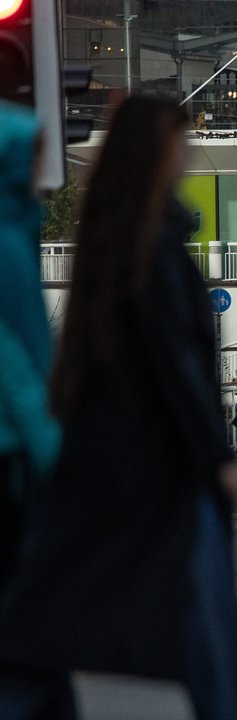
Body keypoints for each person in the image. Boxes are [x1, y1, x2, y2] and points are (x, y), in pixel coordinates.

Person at [0, 97, 237, 719]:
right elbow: (173, 365)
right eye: (178, 143)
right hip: (154, 470)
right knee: (211, 640)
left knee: (40, 630)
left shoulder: (113, 238)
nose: (187, 155)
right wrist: (213, 456)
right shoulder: (150, 247)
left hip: (111, 466)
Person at [0, 101, 62, 603]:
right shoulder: (9, 246)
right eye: (33, 159)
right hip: (12, 453)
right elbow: (15, 362)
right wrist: (54, 451)